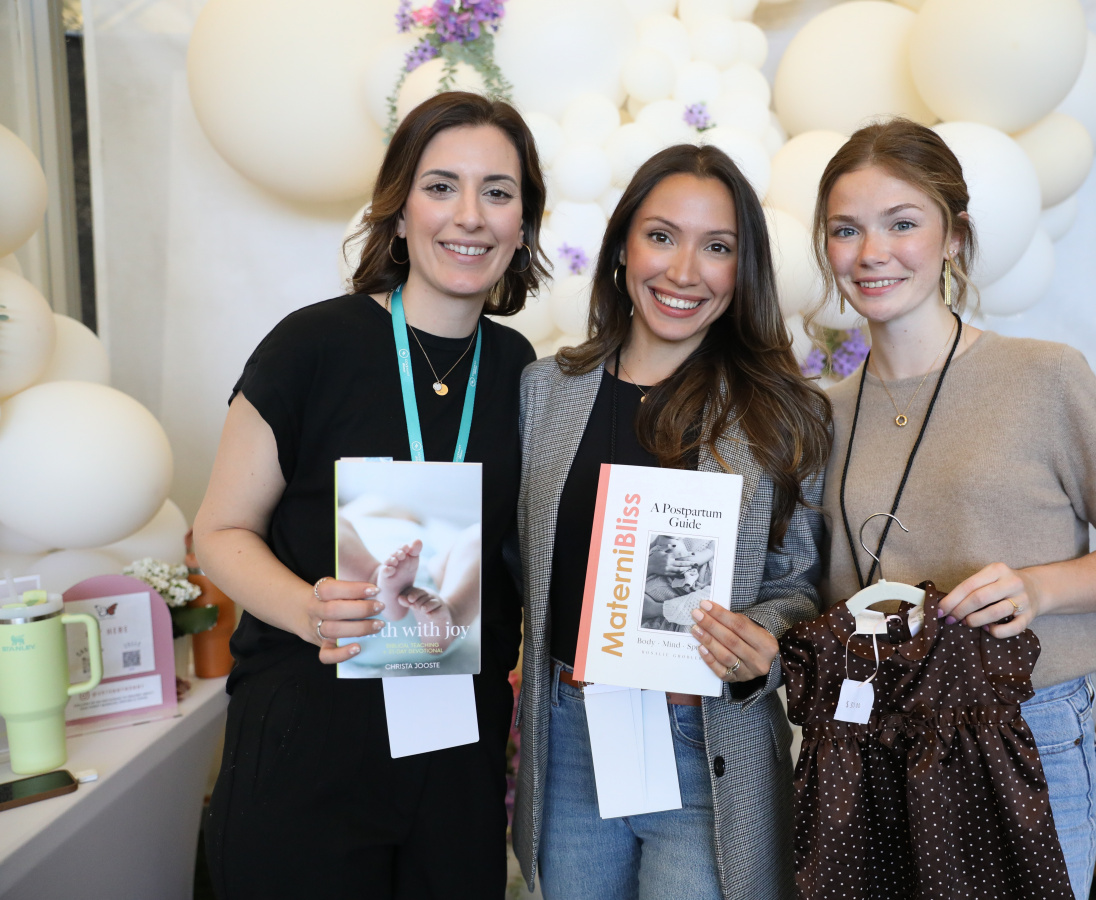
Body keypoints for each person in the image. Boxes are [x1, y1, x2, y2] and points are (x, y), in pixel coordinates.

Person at [810, 118, 1096, 900]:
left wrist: (1037, 589)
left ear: (953, 236)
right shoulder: (822, 415)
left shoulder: (1044, 376)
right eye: (847, 229)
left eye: (902, 223)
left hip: (1026, 729)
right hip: (873, 738)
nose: (872, 252)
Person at [193, 91, 546, 899]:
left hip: (454, 749)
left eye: (497, 191)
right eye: (441, 186)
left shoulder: (521, 372)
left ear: (523, 225)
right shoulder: (312, 346)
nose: (470, 215)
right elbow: (220, 530)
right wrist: (308, 608)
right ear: (398, 212)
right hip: (310, 737)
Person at [512, 144, 833, 900]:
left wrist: (763, 643)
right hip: (574, 735)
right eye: (661, 236)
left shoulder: (785, 414)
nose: (684, 271)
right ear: (623, 246)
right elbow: (514, 562)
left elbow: (799, 585)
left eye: (716, 247)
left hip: (705, 739)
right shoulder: (543, 391)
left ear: (742, 269)